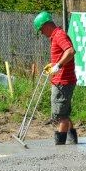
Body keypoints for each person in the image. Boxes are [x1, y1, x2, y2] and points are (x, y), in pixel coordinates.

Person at [33, 11, 78, 145]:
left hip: (63, 82)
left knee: (60, 116)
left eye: (41, 29)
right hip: (62, 80)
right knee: (63, 113)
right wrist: (53, 65)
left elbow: (70, 51)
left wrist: (58, 66)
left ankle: (60, 146)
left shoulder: (59, 35)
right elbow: (63, 55)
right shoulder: (56, 36)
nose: (41, 33)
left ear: (46, 25)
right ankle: (72, 140)